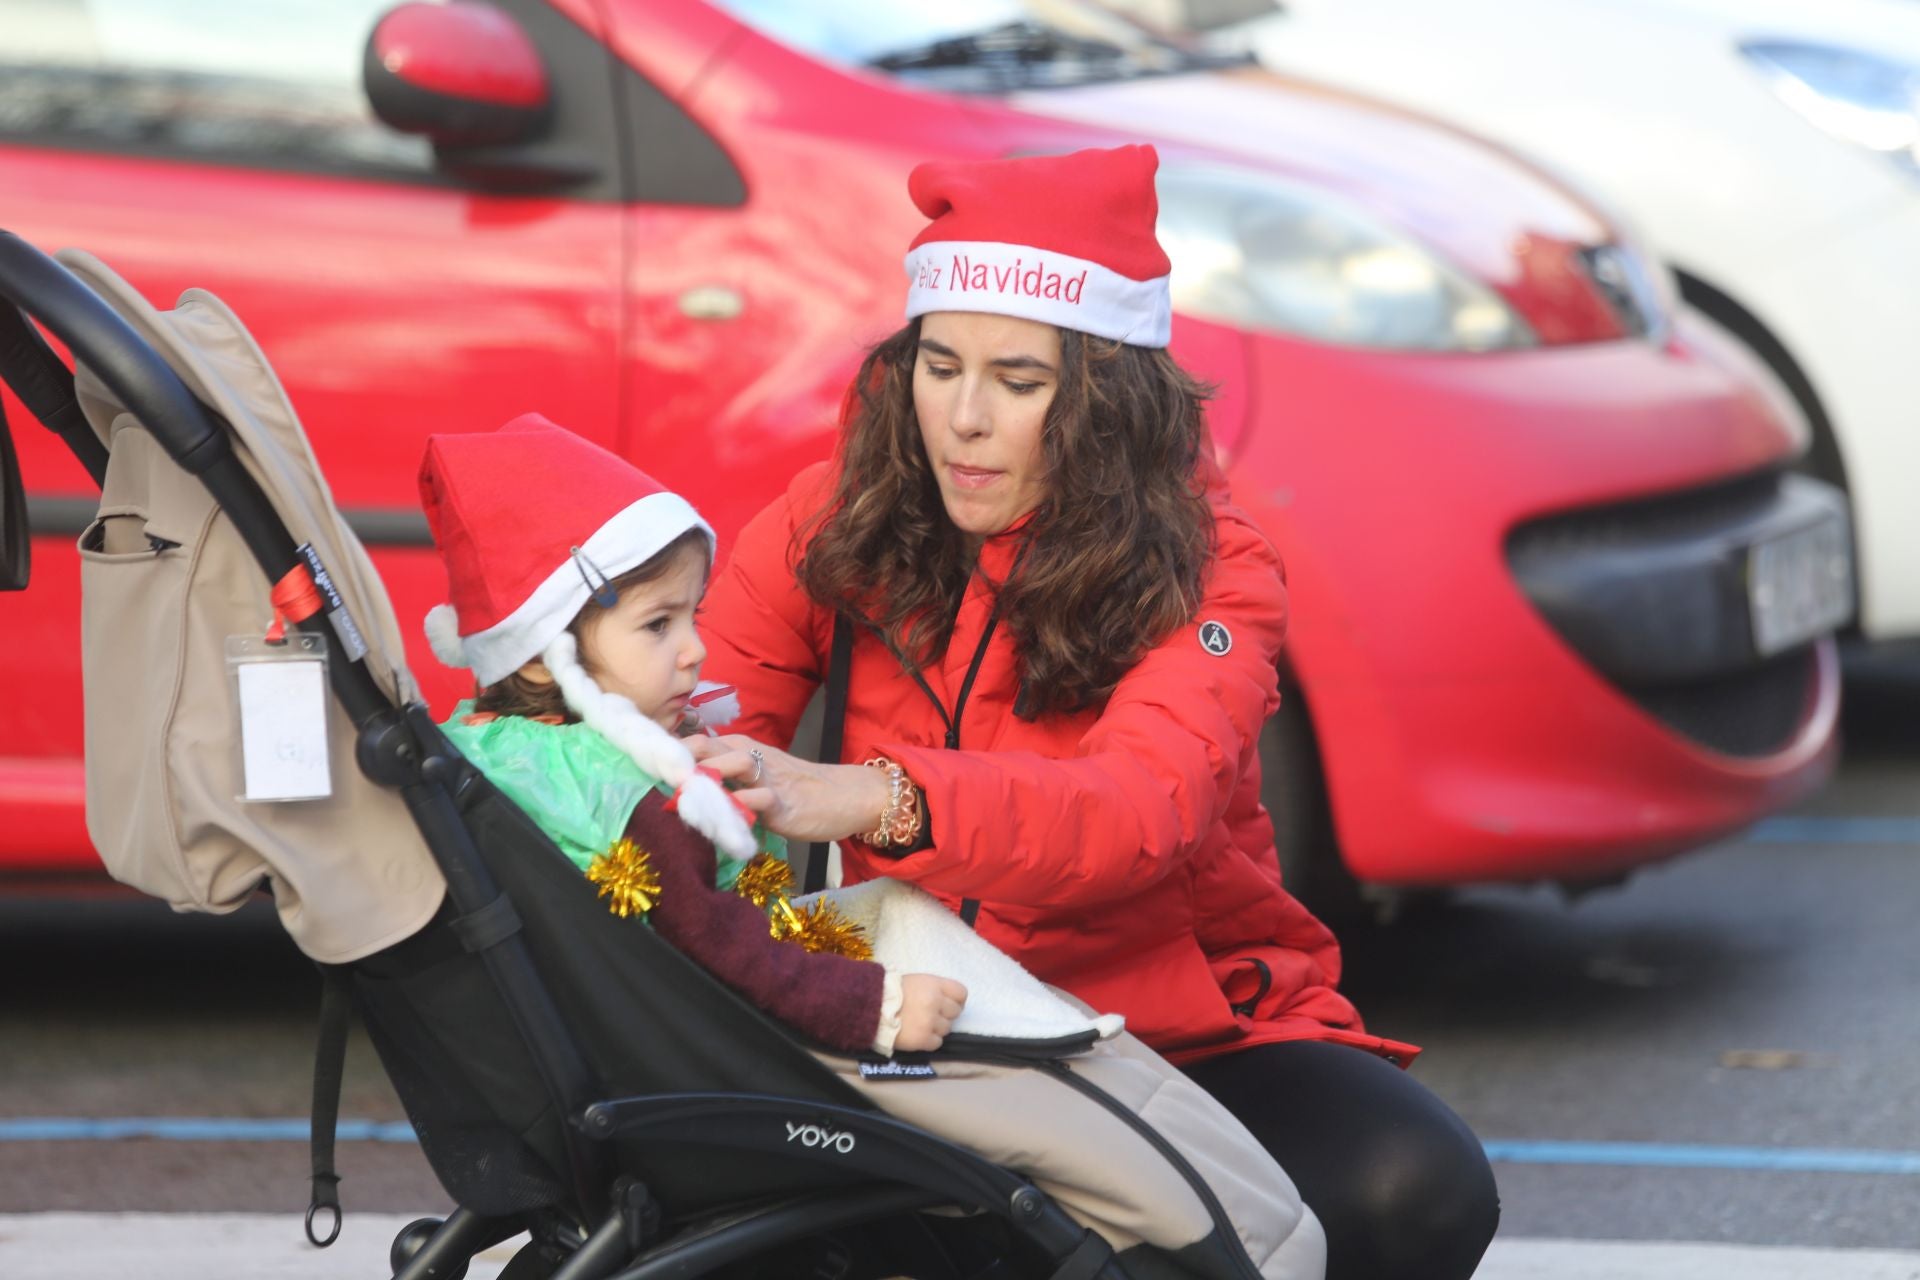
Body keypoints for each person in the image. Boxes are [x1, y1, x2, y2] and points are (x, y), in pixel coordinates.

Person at [689, 145, 1500, 1280]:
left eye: (1020, 382)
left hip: (1176, 1033)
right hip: (912, 1016)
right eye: (938, 364)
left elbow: (1135, 814)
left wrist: (879, 796)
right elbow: (694, 704)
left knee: (1412, 1184)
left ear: (1107, 400)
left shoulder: (1215, 568)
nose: (963, 419)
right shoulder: (842, 513)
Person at [416, 413, 968, 1057]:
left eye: (692, 615)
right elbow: (720, 943)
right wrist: (877, 1006)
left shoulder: (487, 748)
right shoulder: (630, 792)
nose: (695, 650)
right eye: (658, 625)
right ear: (540, 655)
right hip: (692, 1063)